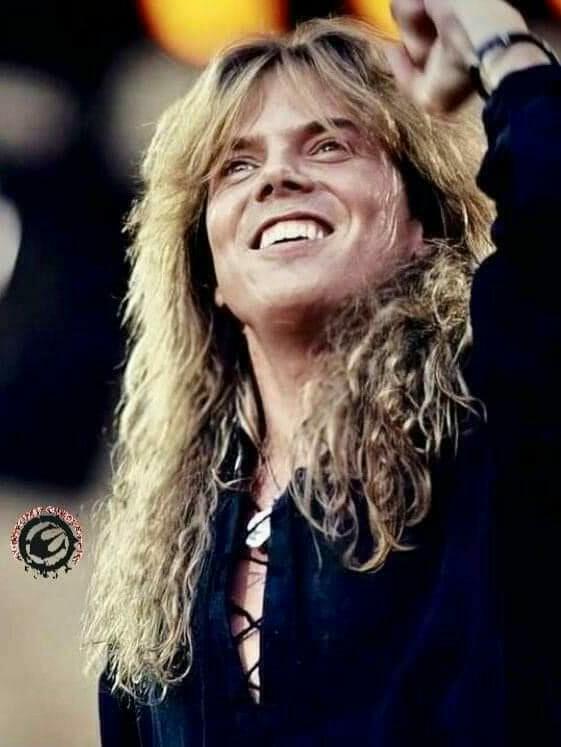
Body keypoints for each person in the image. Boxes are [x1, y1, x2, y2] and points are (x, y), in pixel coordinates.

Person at [83, 1, 561, 744]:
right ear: (208, 269)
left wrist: (497, 37)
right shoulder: (159, 570)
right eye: (236, 166)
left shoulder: (499, 420)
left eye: (329, 145)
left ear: (421, 222)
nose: (277, 176)